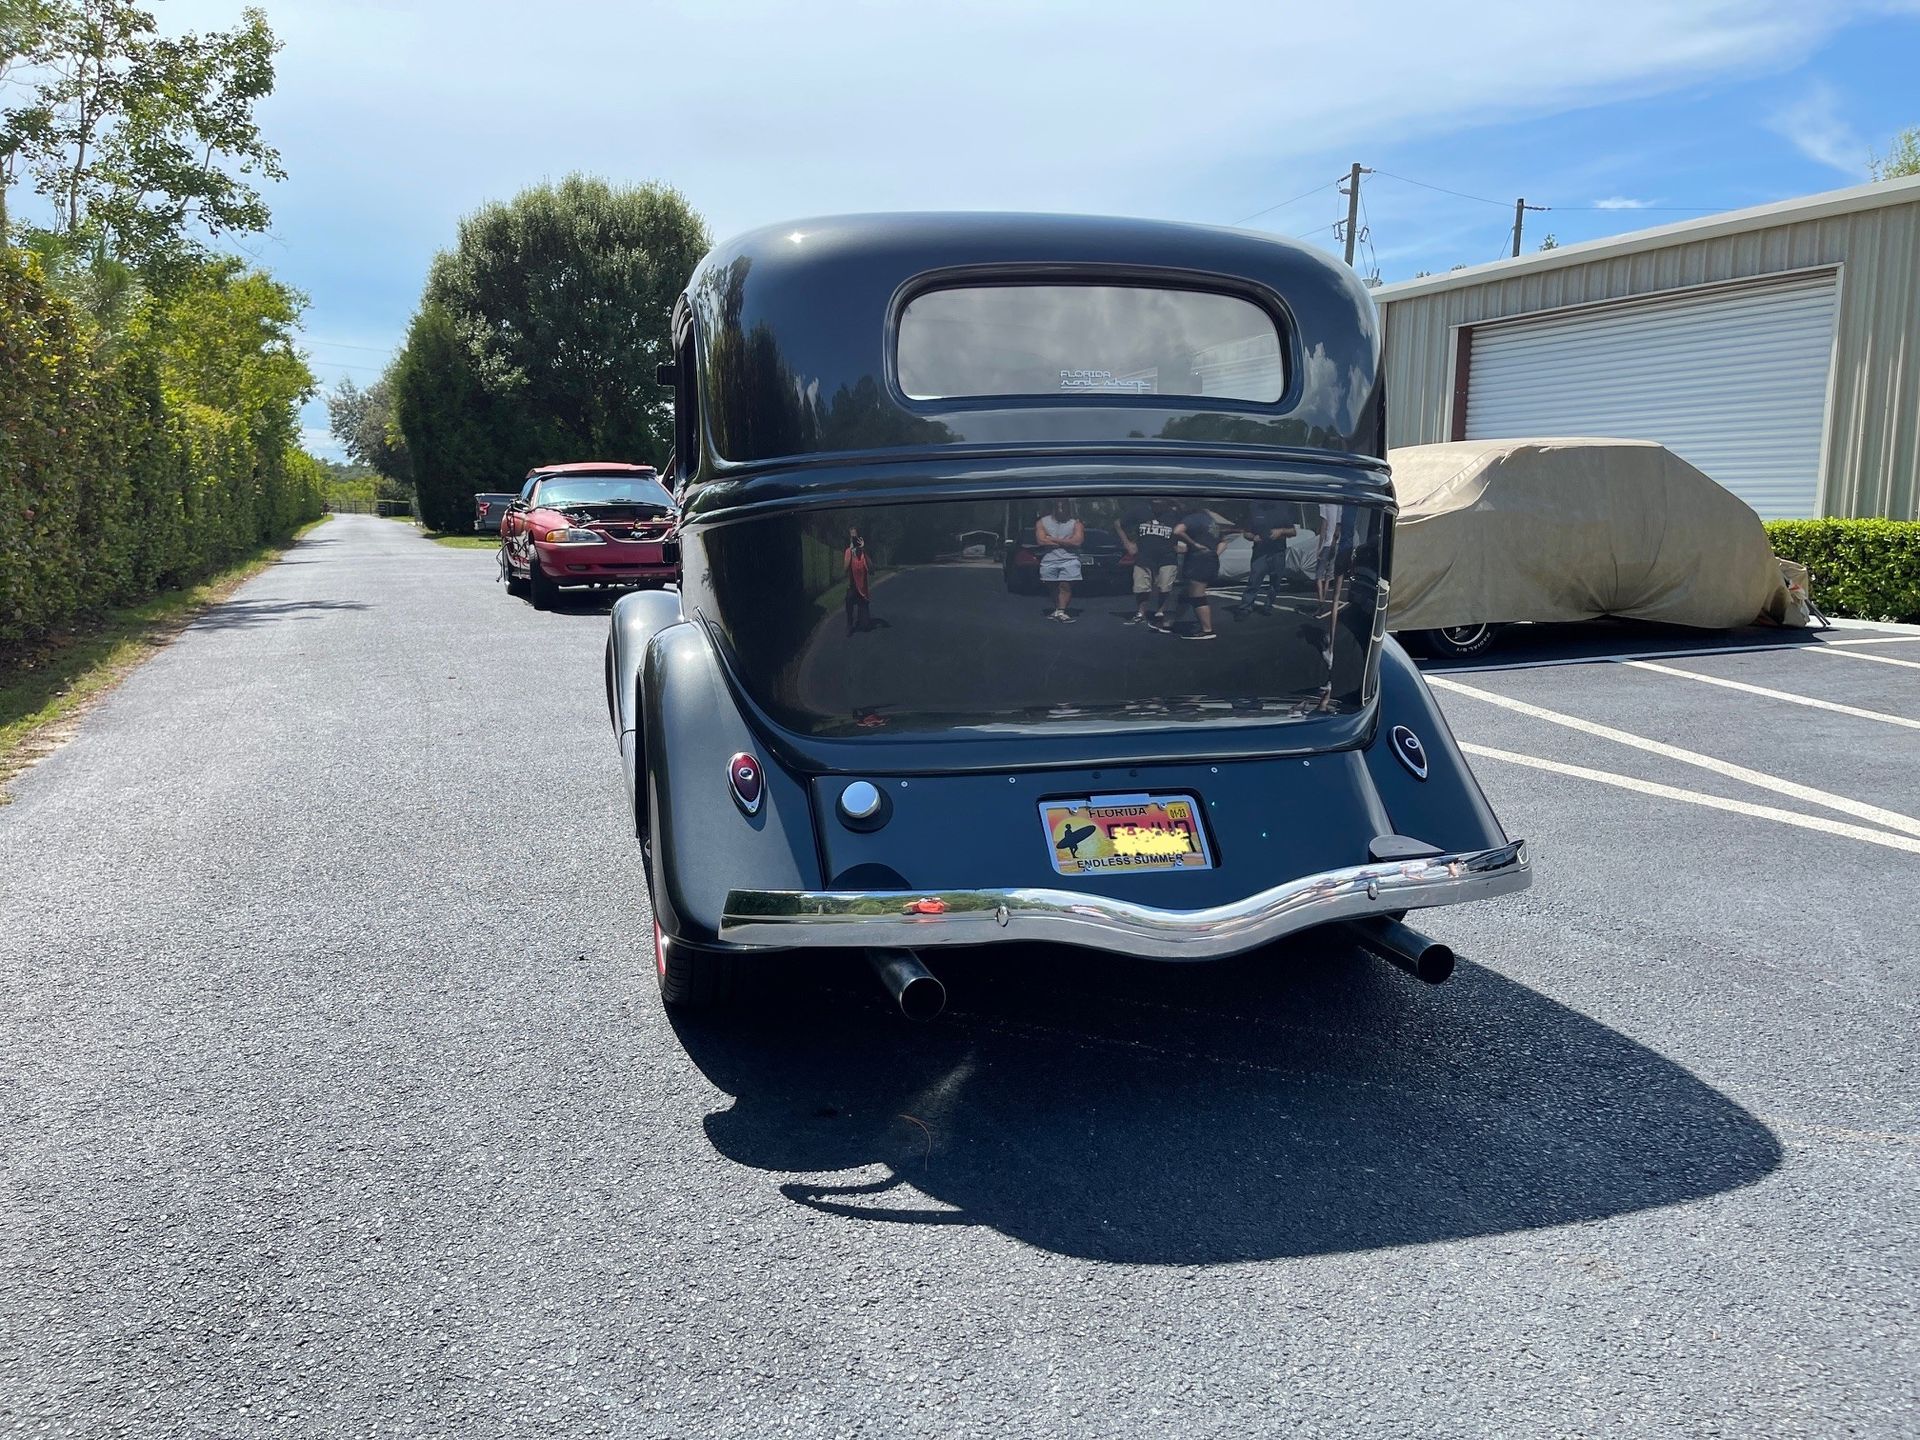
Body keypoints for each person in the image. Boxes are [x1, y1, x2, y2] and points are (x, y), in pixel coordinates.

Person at [1158, 508, 1228, 640]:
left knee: (1197, 595)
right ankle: (1169, 623)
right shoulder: (1212, 522)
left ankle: (1207, 630)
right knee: (1186, 593)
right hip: (1209, 560)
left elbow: (1177, 531)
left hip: (1198, 561)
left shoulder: (1192, 518)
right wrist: (1213, 554)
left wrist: (1194, 544)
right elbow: (1224, 542)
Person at [1113, 498, 1180, 625]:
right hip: (1144, 555)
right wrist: (1127, 543)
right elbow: (1118, 523)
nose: (1157, 501)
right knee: (1141, 587)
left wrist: (1184, 543)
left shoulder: (1175, 514)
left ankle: (1161, 612)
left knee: (1164, 585)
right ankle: (1140, 613)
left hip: (1167, 556)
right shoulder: (1140, 510)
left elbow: (1186, 528)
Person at [1232, 500, 1299, 618]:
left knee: (1276, 582)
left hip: (1278, 551)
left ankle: (1268, 606)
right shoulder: (1254, 508)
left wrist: (1281, 531)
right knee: (1254, 580)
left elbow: (1293, 531)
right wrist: (1253, 537)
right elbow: (1246, 533)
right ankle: (1245, 607)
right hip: (1260, 551)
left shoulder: (1283, 508)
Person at [1034, 499, 1083, 622]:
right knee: (1052, 586)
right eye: (1059, 507)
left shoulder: (1076, 524)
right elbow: (1041, 540)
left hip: (1070, 559)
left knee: (1065, 585)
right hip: (1049, 560)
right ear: (1054, 508)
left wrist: (1054, 540)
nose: (1062, 510)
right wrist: (1067, 541)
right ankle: (1057, 609)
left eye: (1064, 507)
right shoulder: (1042, 522)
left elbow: (1077, 541)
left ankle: (1061, 611)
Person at [844, 527, 873, 634]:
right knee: (848, 598)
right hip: (853, 587)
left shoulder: (863, 553)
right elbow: (845, 569)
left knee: (865, 627)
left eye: (856, 537)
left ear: (860, 538)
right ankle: (849, 622)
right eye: (852, 537)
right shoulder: (848, 551)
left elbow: (871, 570)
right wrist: (851, 553)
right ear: (850, 539)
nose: (854, 540)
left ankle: (862, 617)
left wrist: (864, 550)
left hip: (863, 592)